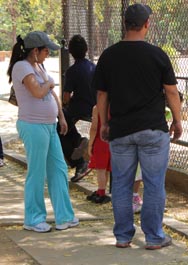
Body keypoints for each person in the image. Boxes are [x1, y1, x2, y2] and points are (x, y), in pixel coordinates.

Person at [93, 3, 183, 249]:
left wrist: (104, 122)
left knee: (121, 183)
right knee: (154, 184)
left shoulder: (109, 56)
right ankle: (154, 237)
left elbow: (102, 95)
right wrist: (177, 119)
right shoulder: (157, 55)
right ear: (146, 25)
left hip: (120, 130)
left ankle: (123, 236)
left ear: (124, 25)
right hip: (153, 130)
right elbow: (171, 92)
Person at [7, 31, 79, 232]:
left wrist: (61, 117)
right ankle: (33, 218)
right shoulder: (22, 67)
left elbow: (52, 94)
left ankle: (64, 216)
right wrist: (49, 83)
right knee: (37, 173)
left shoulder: (39, 66)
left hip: (48, 126)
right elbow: (38, 91)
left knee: (58, 170)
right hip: (33, 125)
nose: (48, 54)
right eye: (46, 50)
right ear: (35, 50)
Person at [58, 34, 96, 183]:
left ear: (71, 53)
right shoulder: (94, 67)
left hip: (79, 108)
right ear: (86, 49)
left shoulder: (72, 71)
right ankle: (79, 143)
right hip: (95, 107)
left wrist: (65, 104)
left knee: (60, 128)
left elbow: (66, 97)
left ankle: (79, 160)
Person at [86, 105, 111, 204]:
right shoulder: (116, 106)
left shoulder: (97, 108)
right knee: (106, 170)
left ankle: (101, 192)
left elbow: (94, 127)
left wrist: (90, 144)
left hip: (100, 141)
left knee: (101, 170)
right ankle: (102, 189)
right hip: (111, 141)